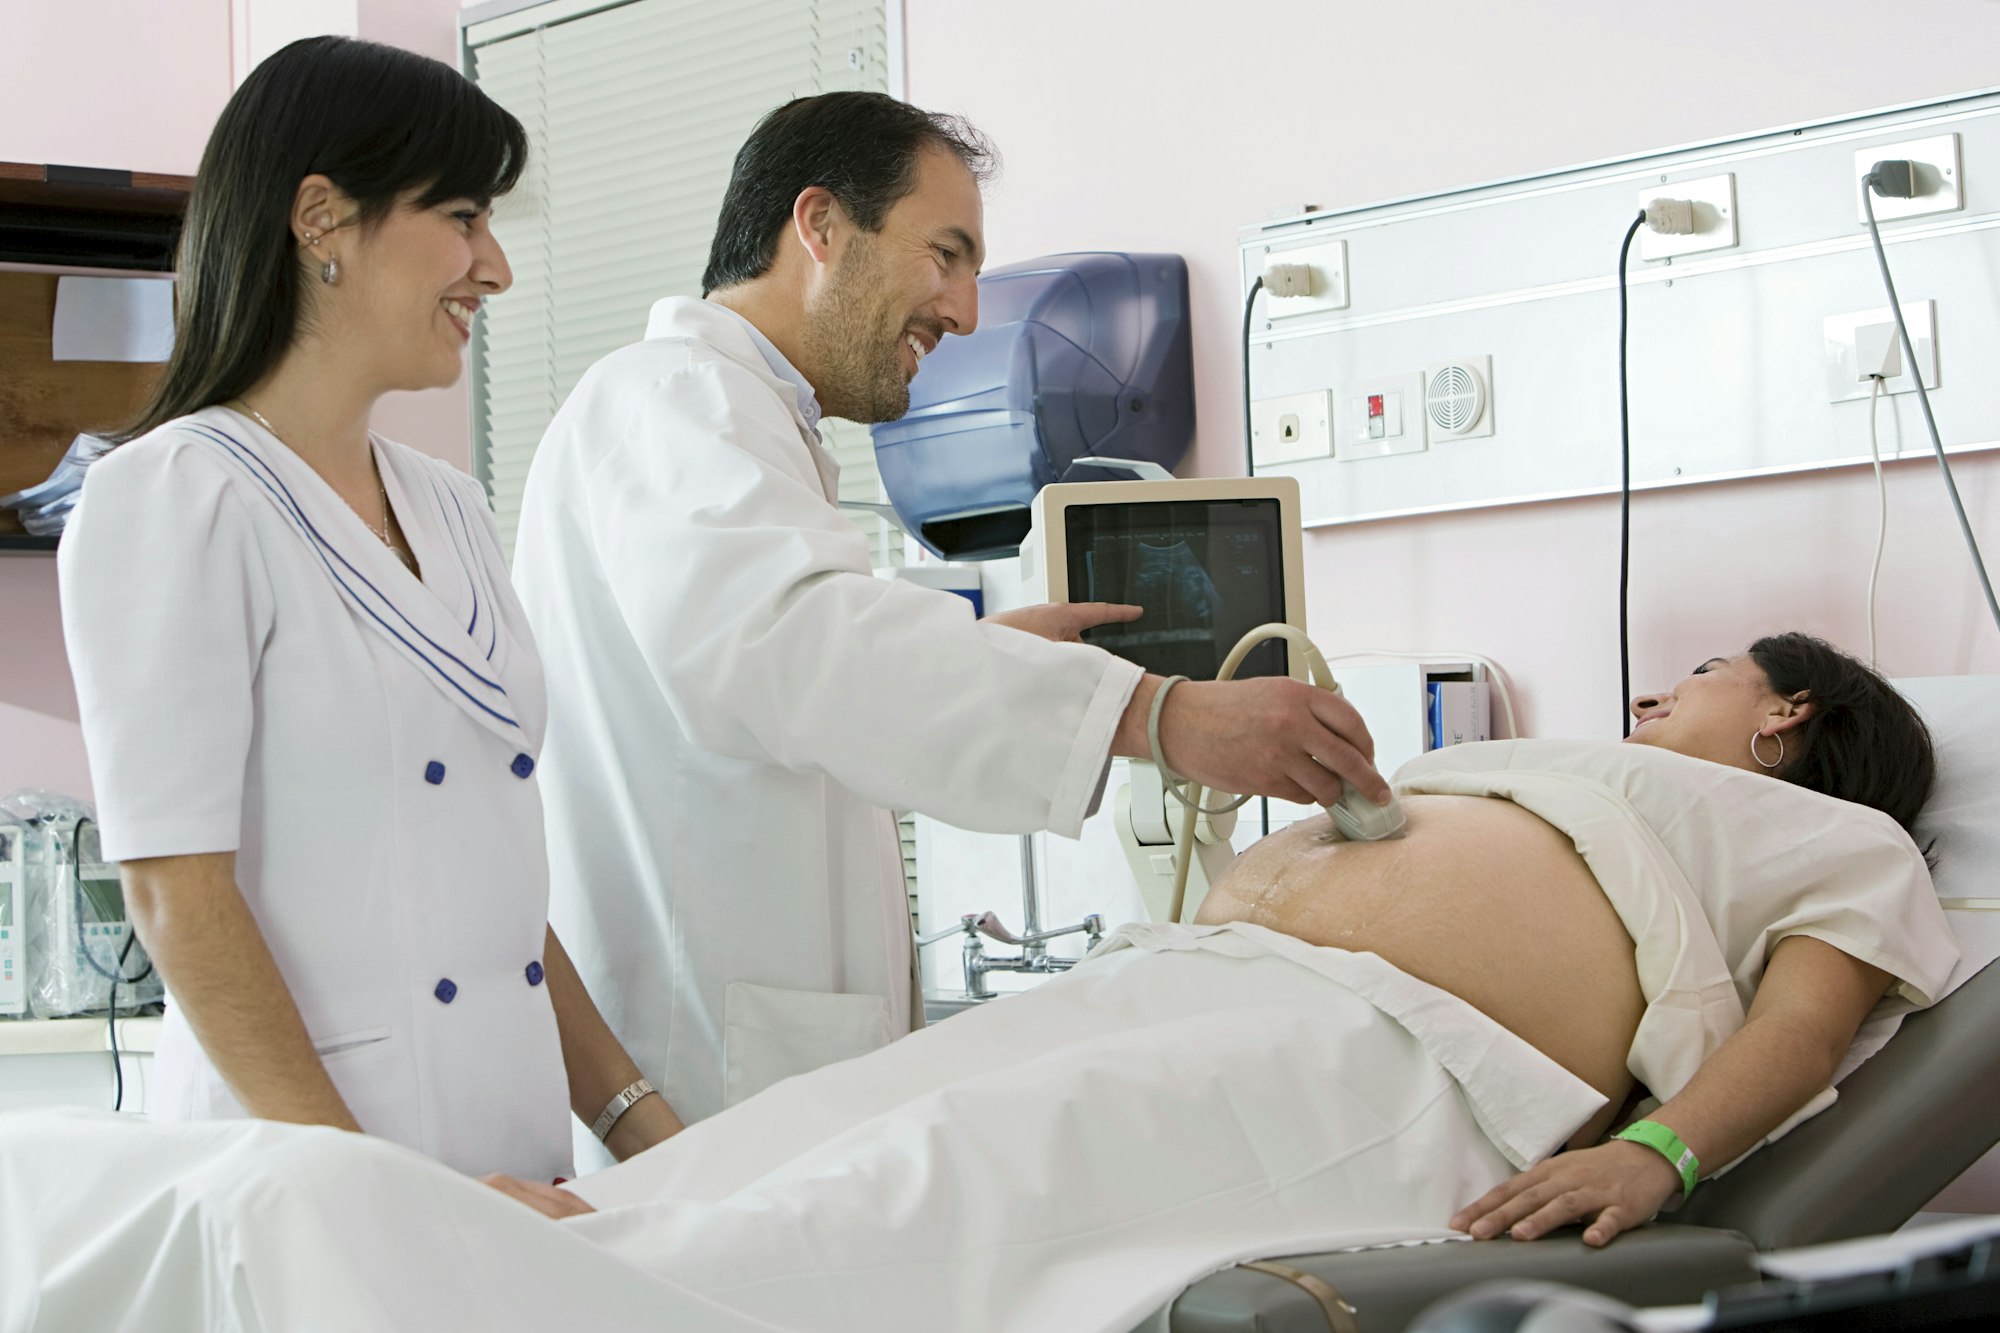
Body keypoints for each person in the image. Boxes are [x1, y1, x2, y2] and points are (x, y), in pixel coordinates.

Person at [0, 633, 1959, 1333]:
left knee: (923, 1197)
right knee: (825, 1138)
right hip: (1185, 980)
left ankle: (426, 1287)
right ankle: (458, 1258)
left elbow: (1808, 1024)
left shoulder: (1829, 839)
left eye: (1700, 669)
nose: (1655, 687)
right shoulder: (1547, 762)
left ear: (1784, 710)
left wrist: (1673, 1169)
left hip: (1371, 1064)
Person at [509, 90, 1393, 1141]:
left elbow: (790, 667)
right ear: (819, 226)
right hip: (703, 1078)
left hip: (750, 1062)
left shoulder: (734, 420)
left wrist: (980, 662)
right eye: (945, 254)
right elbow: (802, 650)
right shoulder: (675, 400)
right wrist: (1161, 714)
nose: (966, 311)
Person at [57, 36, 678, 1208]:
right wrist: (384, 1204)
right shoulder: (179, 497)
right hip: (315, 1188)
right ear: (320, 219)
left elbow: (496, 890)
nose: (492, 268)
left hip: (512, 1163)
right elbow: (179, 897)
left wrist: (641, 1122)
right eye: (460, 216)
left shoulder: (448, 507)